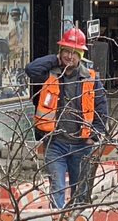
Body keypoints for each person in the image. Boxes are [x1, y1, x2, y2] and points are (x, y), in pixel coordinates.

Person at [26, 27, 110, 210]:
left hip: (82, 145)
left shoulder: (91, 79)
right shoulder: (50, 74)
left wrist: (94, 136)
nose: (69, 56)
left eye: (74, 52)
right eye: (66, 51)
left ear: (81, 55)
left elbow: (102, 109)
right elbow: (31, 69)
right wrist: (55, 59)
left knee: (80, 191)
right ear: (60, 52)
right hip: (55, 143)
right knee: (57, 188)